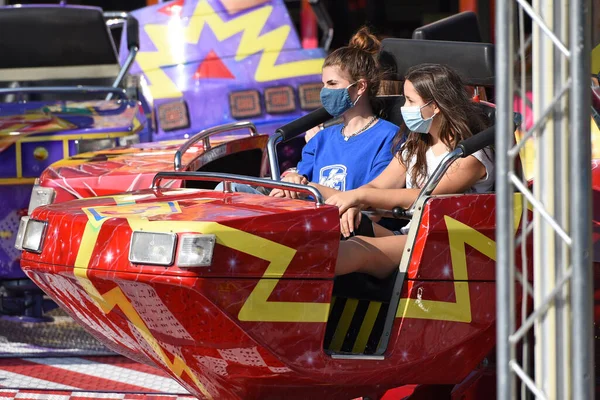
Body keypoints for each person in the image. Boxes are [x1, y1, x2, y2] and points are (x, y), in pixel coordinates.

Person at [325, 63, 494, 279]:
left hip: (448, 242)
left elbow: (423, 197)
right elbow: (378, 185)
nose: (405, 108)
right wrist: (354, 204)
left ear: (436, 106)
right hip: (412, 234)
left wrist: (359, 195)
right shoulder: (415, 146)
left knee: (357, 248)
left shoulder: (471, 155)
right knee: (340, 229)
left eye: (411, 101)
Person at [219, 27, 400, 202]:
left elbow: (371, 199)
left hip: (344, 222)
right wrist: (293, 178)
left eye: (332, 84)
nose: (325, 92)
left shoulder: (388, 136)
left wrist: (312, 188)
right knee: (226, 190)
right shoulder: (321, 138)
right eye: (323, 84)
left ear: (360, 87)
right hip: (305, 215)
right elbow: (300, 177)